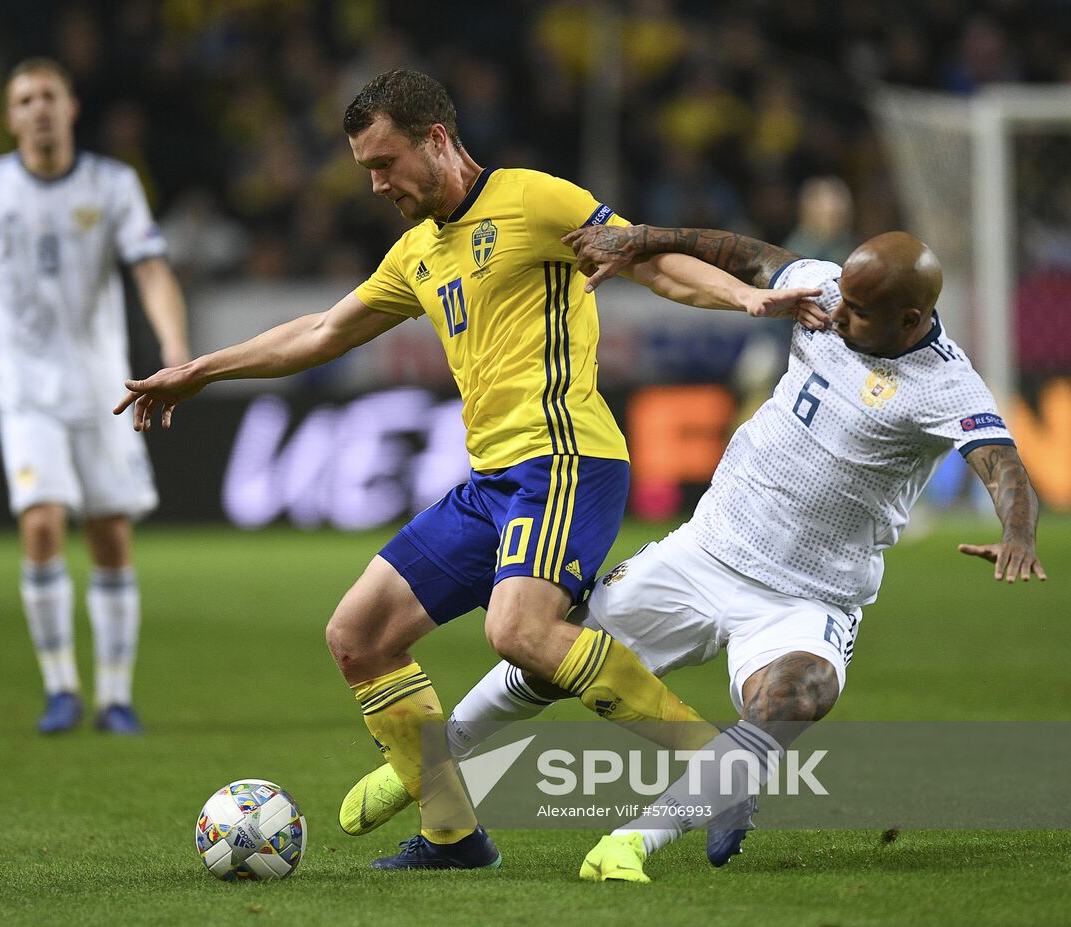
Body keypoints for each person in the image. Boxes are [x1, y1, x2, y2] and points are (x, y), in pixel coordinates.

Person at [114, 69, 820, 870]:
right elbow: (320, 331)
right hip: (493, 481)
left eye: (385, 163)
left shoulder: (534, 200)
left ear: (437, 141)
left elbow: (648, 260)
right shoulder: (418, 250)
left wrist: (747, 298)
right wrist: (201, 369)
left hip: (566, 458)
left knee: (518, 629)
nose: (376, 184)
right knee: (358, 636)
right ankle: (453, 835)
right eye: (365, 169)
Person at [343, 226, 1048, 882]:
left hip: (809, 596)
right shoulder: (830, 290)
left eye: (858, 310)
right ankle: (426, 766)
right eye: (843, 299)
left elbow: (1003, 464)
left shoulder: (947, 384)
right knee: (548, 651)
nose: (837, 314)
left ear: (911, 321)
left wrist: (1018, 532)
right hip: (705, 552)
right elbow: (747, 255)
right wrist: (647, 239)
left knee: (795, 697)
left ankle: (632, 843)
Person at [0, 58, 189, 736]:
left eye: (50, 96)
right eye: (24, 99)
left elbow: (152, 271)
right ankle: (60, 687)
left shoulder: (112, 184)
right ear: (10, 116)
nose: (39, 108)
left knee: (109, 533)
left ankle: (115, 695)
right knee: (41, 523)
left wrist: (175, 351)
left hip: (104, 387)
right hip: (22, 389)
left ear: (71, 108)